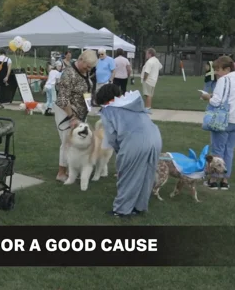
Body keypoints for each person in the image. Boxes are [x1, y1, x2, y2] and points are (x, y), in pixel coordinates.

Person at [96, 84, 162, 217]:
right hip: (155, 138)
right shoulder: (132, 103)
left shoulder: (109, 110)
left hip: (135, 141)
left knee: (127, 176)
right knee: (146, 174)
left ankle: (122, 210)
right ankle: (139, 206)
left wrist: (119, 151)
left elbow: (111, 136)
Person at [200, 56, 235, 190]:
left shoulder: (224, 80)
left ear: (227, 69)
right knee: (229, 150)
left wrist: (207, 97)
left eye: (218, 69)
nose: (216, 72)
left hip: (225, 120)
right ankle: (224, 180)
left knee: (218, 150)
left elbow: (217, 101)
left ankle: (212, 180)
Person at [53, 50, 98, 182]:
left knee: (80, 142)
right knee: (67, 142)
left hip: (81, 112)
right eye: (88, 66)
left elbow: (87, 90)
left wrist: (88, 108)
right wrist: (72, 117)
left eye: (91, 67)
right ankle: (61, 172)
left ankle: (72, 170)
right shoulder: (68, 73)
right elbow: (63, 99)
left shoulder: (85, 71)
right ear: (81, 59)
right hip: (66, 112)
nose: (89, 69)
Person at [141, 48, 162, 112]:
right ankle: (148, 107)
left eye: (146, 54)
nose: (146, 55)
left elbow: (147, 72)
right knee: (150, 94)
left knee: (147, 94)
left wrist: (144, 79)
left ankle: (148, 108)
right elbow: (160, 67)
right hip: (153, 80)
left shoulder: (149, 62)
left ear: (150, 54)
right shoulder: (156, 60)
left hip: (148, 80)